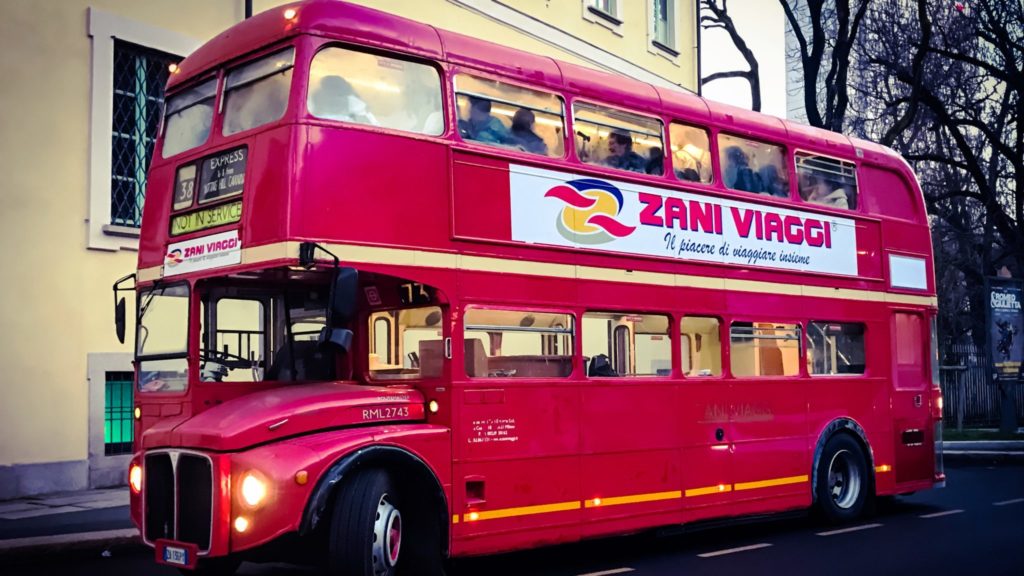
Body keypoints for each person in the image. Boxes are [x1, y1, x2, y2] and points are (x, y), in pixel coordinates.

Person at [309, 75, 378, 125]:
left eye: (334, 88)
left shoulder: (353, 102)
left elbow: (371, 125)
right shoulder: (315, 99)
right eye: (328, 89)